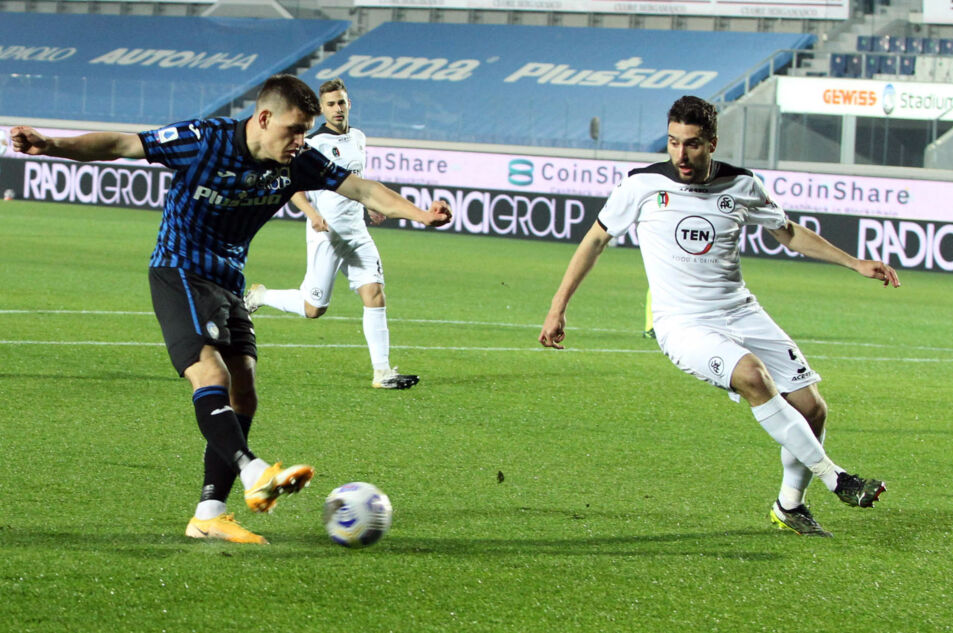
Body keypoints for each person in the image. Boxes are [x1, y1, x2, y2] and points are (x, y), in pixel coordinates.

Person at [10, 74, 452, 545]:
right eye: (294, 130)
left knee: (245, 388)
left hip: (228, 279)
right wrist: (50, 143)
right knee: (211, 375)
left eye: (306, 131)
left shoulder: (300, 162)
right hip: (179, 270)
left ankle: (209, 514)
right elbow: (122, 143)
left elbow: (363, 190)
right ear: (263, 118)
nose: (301, 141)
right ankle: (253, 470)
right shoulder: (203, 140)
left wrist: (420, 213)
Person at [539, 96, 899, 537]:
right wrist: (558, 308)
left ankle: (790, 506)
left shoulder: (742, 185)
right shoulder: (642, 186)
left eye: (691, 145)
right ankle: (835, 477)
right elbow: (595, 240)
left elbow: (787, 232)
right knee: (752, 377)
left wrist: (855, 263)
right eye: (672, 143)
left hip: (739, 309)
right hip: (682, 321)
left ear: (712, 142)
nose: (680, 155)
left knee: (811, 408)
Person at [244, 78, 416, 389]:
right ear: (322, 110)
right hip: (327, 234)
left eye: (341, 102)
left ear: (349, 104)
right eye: (331, 104)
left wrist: (369, 207)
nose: (337, 109)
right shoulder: (312, 144)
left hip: (357, 232)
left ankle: (383, 373)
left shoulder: (359, 138)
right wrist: (312, 214)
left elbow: (356, 182)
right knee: (314, 309)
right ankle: (262, 295)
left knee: (375, 294)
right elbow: (291, 184)